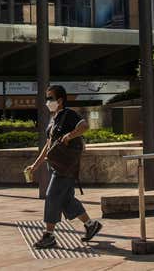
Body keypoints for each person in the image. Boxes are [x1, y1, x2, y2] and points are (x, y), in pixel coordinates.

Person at [26, 85, 101, 249]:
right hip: (55, 165)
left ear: (60, 100)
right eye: (47, 98)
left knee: (52, 195)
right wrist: (35, 165)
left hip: (65, 166)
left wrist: (69, 135)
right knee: (65, 199)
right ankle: (90, 224)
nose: (48, 101)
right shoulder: (54, 119)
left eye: (50, 98)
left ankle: (49, 235)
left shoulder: (69, 114)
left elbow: (84, 126)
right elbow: (48, 146)